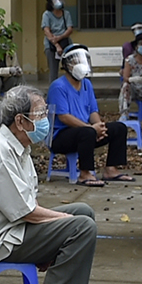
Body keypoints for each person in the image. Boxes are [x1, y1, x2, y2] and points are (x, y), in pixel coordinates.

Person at [0, 85, 98, 284]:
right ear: (20, 120)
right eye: (39, 115)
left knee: (83, 212)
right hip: (1, 239)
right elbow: (26, 212)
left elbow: (29, 202)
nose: (45, 120)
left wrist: (58, 227)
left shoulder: (19, 147)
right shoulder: (0, 150)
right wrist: (63, 224)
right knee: (81, 226)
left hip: (14, 227)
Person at [48, 43, 132, 186]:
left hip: (85, 131)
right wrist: (91, 129)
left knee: (119, 128)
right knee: (87, 132)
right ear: (67, 65)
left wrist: (99, 126)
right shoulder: (58, 86)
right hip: (61, 136)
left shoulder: (87, 84)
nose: (80, 63)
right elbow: (64, 117)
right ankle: (85, 174)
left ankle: (111, 169)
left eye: (83, 59)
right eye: (76, 60)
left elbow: (93, 110)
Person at [41, 0, 74, 77]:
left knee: (70, 67)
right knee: (53, 70)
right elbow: (46, 31)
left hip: (65, 42)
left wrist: (60, 37)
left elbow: (70, 29)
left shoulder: (66, 14)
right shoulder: (47, 15)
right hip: (51, 44)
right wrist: (56, 45)